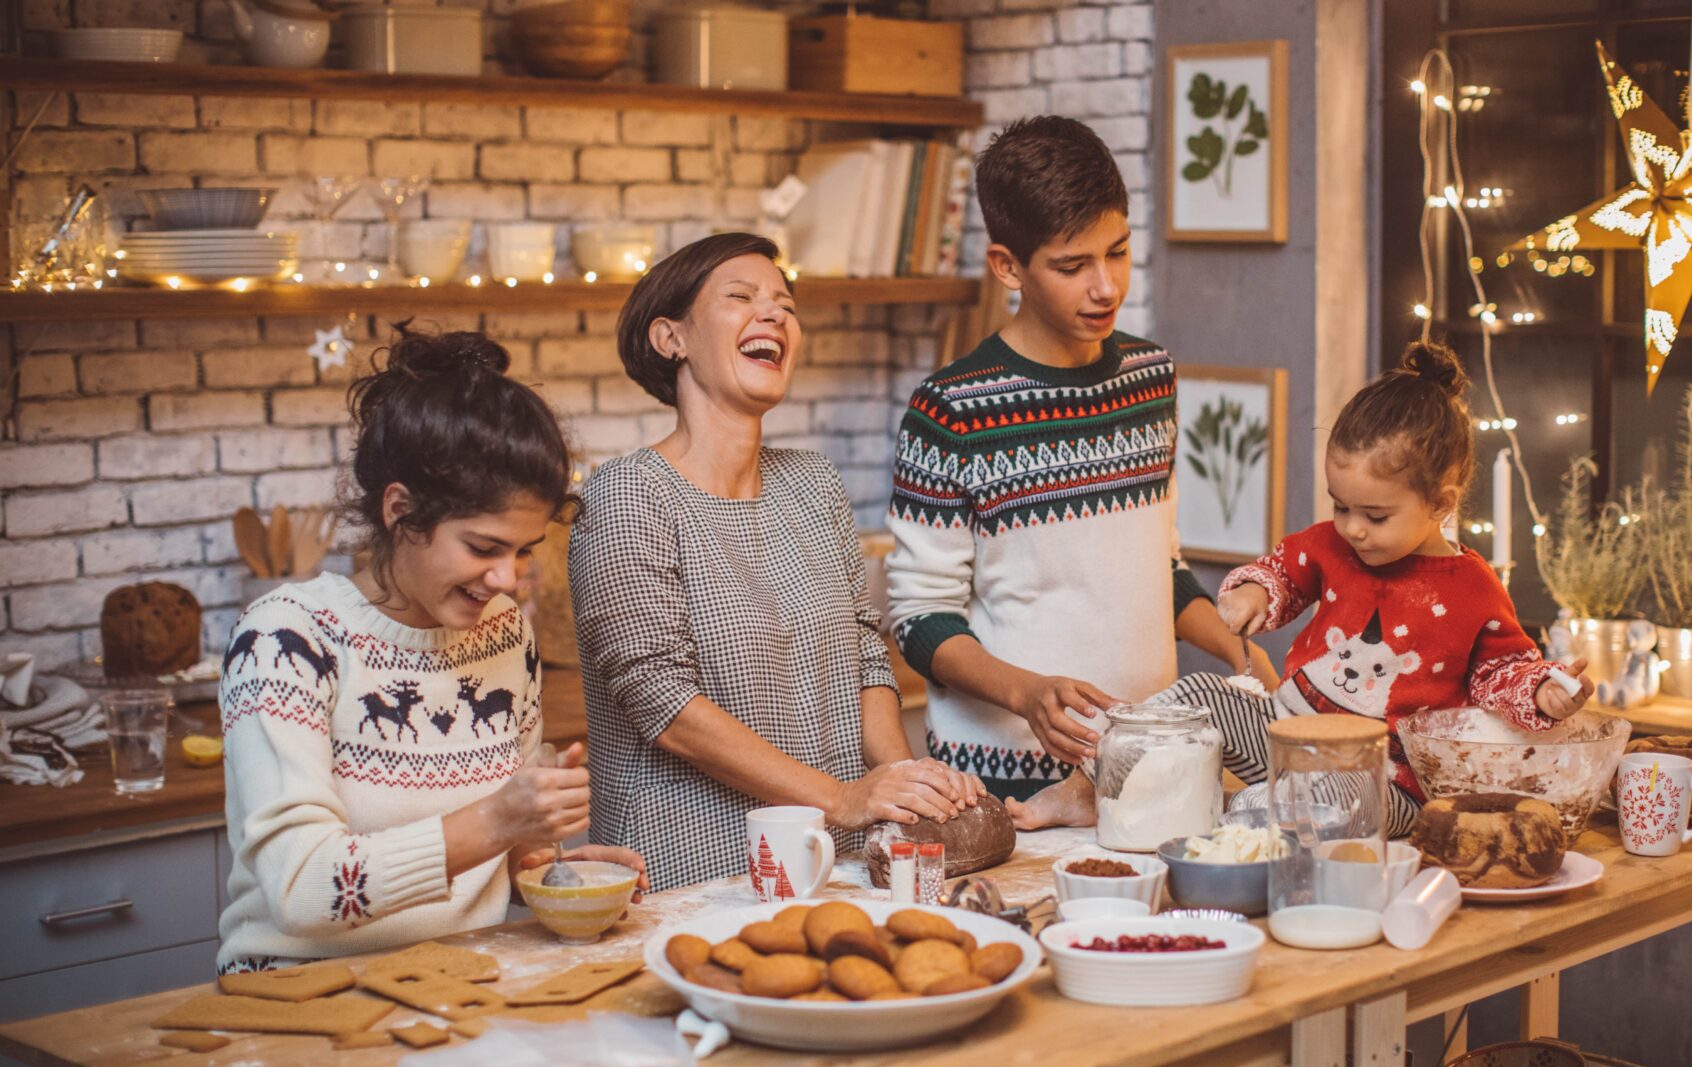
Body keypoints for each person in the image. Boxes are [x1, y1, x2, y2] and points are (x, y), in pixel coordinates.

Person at [886, 116, 1278, 830]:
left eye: (1119, 253)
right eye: (1073, 267)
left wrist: (1235, 648)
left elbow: (1160, 566)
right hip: (1001, 779)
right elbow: (919, 620)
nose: (1106, 287)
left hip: (1150, 762)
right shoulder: (949, 410)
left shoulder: (1149, 374)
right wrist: (1029, 694)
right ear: (1008, 266)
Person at [216, 328, 644, 975]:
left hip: (458, 977)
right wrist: (498, 821)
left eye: (523, 549)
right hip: (295, 992)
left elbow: (499, 852)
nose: (508, 579)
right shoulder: (285, 638)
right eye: (483, 547)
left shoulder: (502, 630)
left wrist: (556, 874)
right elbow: (299, 890)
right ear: (401, 511)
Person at [571, 232, 984, 894]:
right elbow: (665, 704)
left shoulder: (813, 484)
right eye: (741, 297)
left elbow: (864, 655)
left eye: (785, 305)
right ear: (669, 338)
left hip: (839, 862)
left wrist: (906, 792)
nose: (774, 315)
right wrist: (843, 798)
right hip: (694, 874)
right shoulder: (625, 496)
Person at [1215, 340, 1596, 833]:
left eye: (1375, 515)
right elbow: (1284, 573)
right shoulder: (1332, 545)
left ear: (1441, 503)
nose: (1352, 528)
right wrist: (1255, 592)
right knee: (1199, 696)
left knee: (1339, 793)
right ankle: (1110, 774)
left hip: (1385, 782)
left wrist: (1543, 690)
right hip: (1287, 735)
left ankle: (1261, 811)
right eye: (1341, 506)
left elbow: (1502, 672)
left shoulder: (1473, 588)